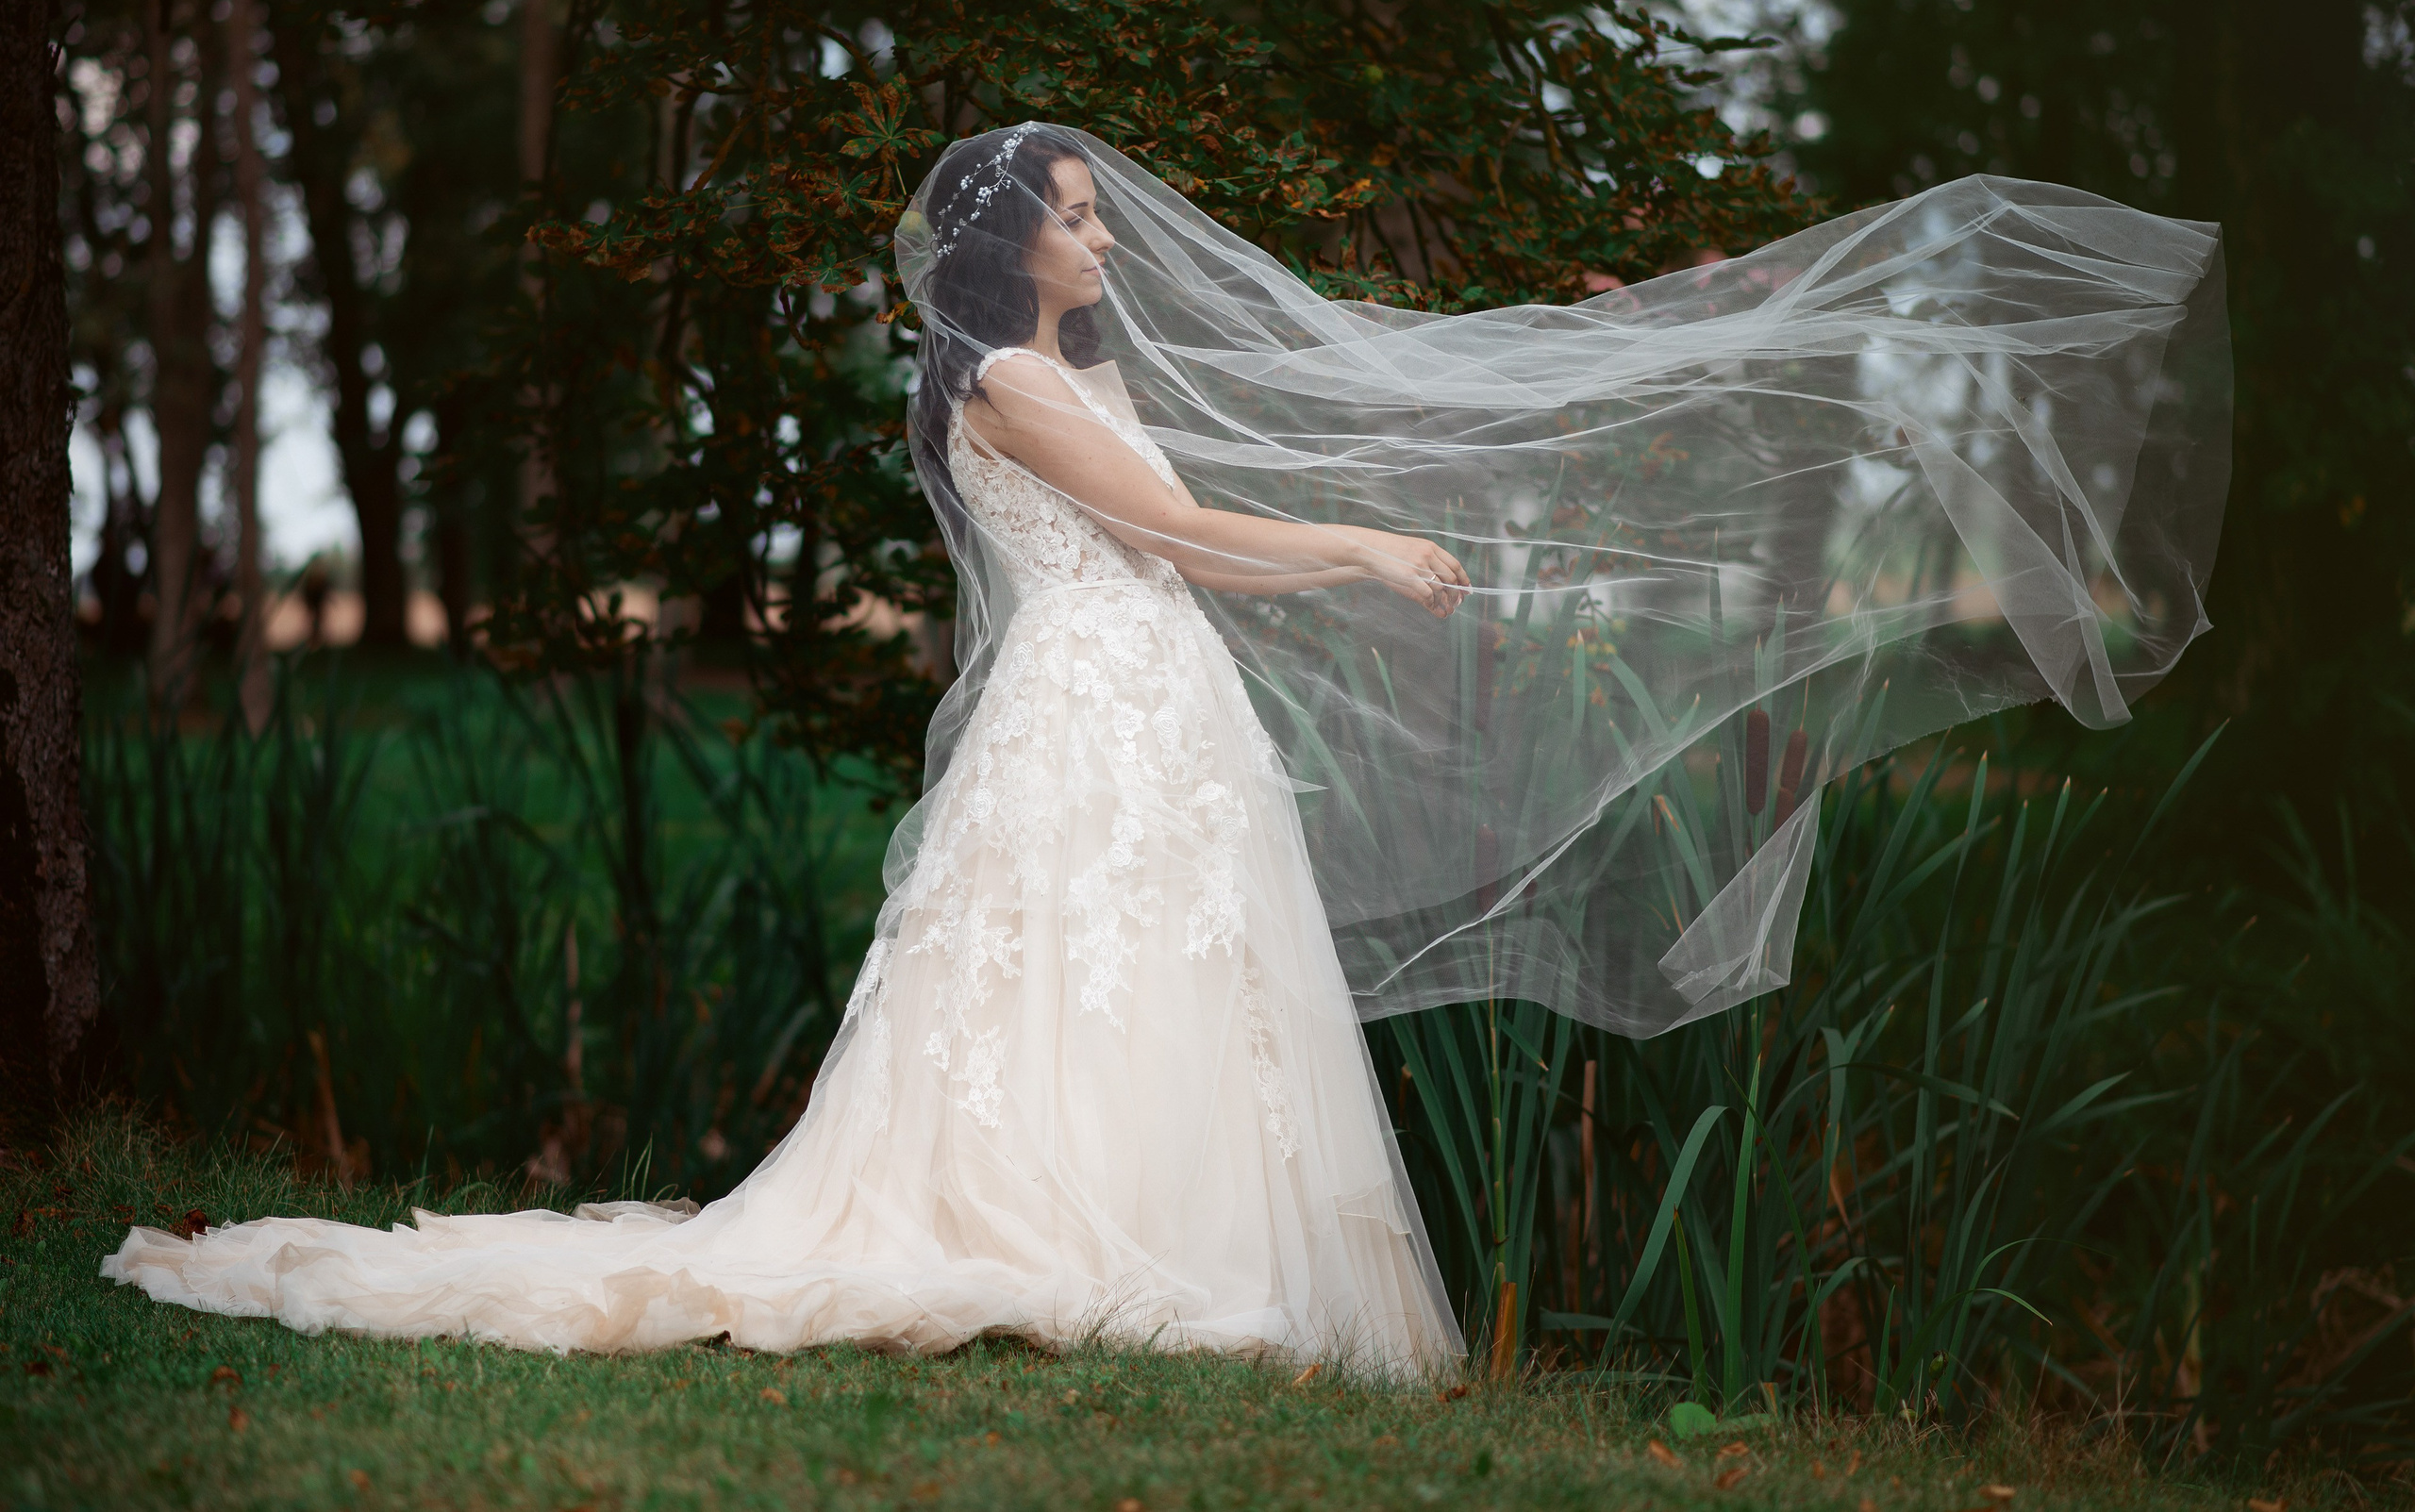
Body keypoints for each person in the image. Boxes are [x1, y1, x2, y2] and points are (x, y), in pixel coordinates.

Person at [102, 122, 2229, 1375]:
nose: (1107, 234)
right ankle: (1071, 1245)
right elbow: (1187, 534)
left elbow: (1205, 529)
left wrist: (1530, 397)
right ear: (1009, 238)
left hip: (1158, 696)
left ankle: (1198, 1254)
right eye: (1081, 213)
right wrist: (1362, 548)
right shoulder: (1000, 383)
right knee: (1065, 980)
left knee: (1181, 983)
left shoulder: (1072, 370)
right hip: (1089, 706)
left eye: (1100, 215)